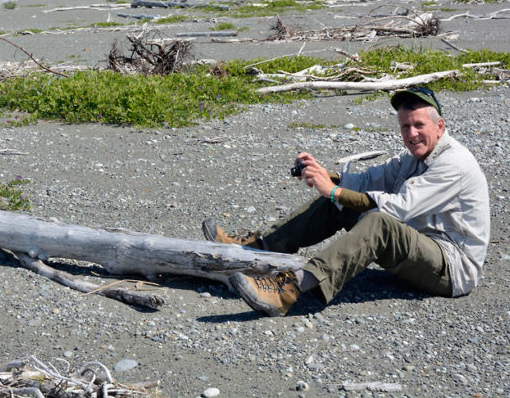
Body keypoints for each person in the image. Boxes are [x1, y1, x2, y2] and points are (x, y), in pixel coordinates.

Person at [203, 86, 489, 316]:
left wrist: (332, 190)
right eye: (405, 127)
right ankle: (261, 247)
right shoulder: (414, 157)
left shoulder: (455, 164)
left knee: (379, 222)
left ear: (440, 126)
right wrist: (325, 174)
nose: (411, 134)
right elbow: (366, 182)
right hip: (420, 247)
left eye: (418, 125)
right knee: (339, 202)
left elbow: (401, 208)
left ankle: (288, 290)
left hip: (451, 270)